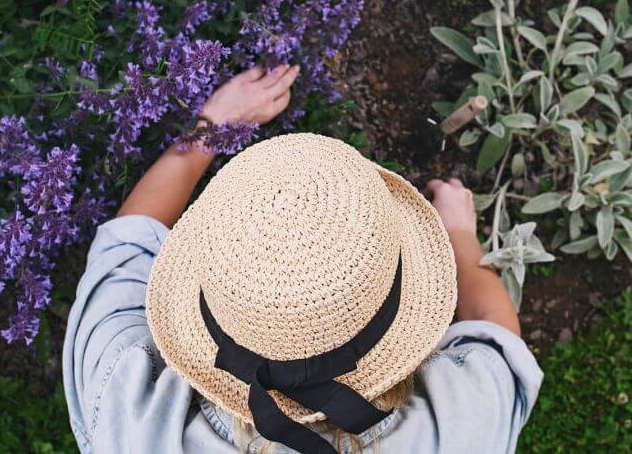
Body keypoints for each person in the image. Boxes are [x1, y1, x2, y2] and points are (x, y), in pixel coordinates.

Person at [63, 64, 543, 454]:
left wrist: (212, 128)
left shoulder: (128, 404)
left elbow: (127, 242)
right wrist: (460, 236)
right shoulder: (465, 418)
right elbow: (496, 331)